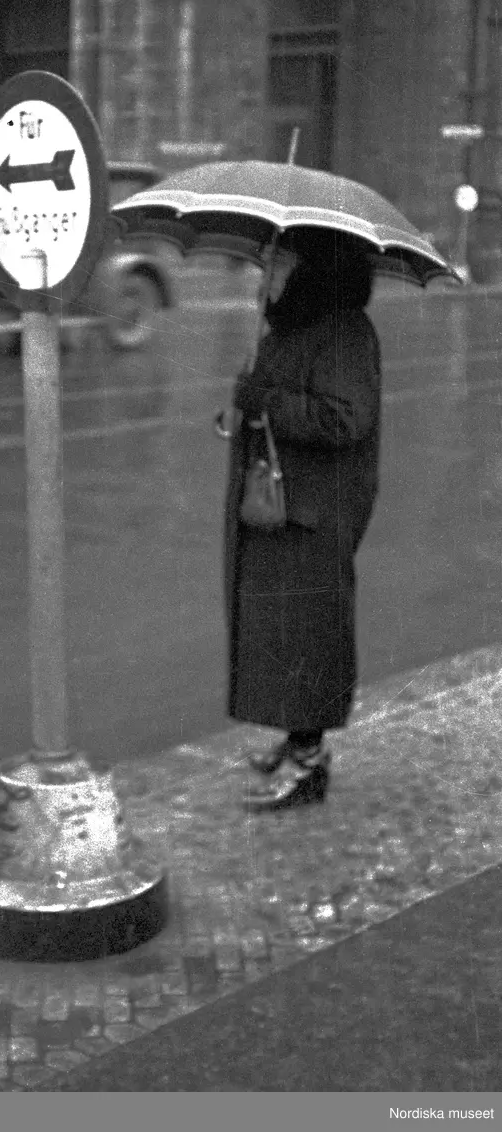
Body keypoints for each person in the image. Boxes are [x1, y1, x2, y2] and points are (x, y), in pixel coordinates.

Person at [224, 230, 381, 811]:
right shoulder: (290, 326)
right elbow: (274, 398)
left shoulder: (344, 332)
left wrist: (266, 401)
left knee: (309, 634)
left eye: (280, 262)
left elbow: (345, 419)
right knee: (284, 633)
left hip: (316, 513)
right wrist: (244, 405)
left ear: (314, 269)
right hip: (284, 508)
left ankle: (309, 762)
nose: (266, 273)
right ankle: (297, 739)